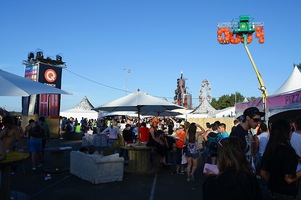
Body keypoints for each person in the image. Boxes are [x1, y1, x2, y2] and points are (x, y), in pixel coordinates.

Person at [261, 119, 301, 199]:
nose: (292, 132)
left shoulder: (270, 149)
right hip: (286, 194)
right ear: (285, 132)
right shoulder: (288, 151)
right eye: (291, 129)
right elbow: (289, 179)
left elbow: (263, 172)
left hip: (272, 192)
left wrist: (275, 182)